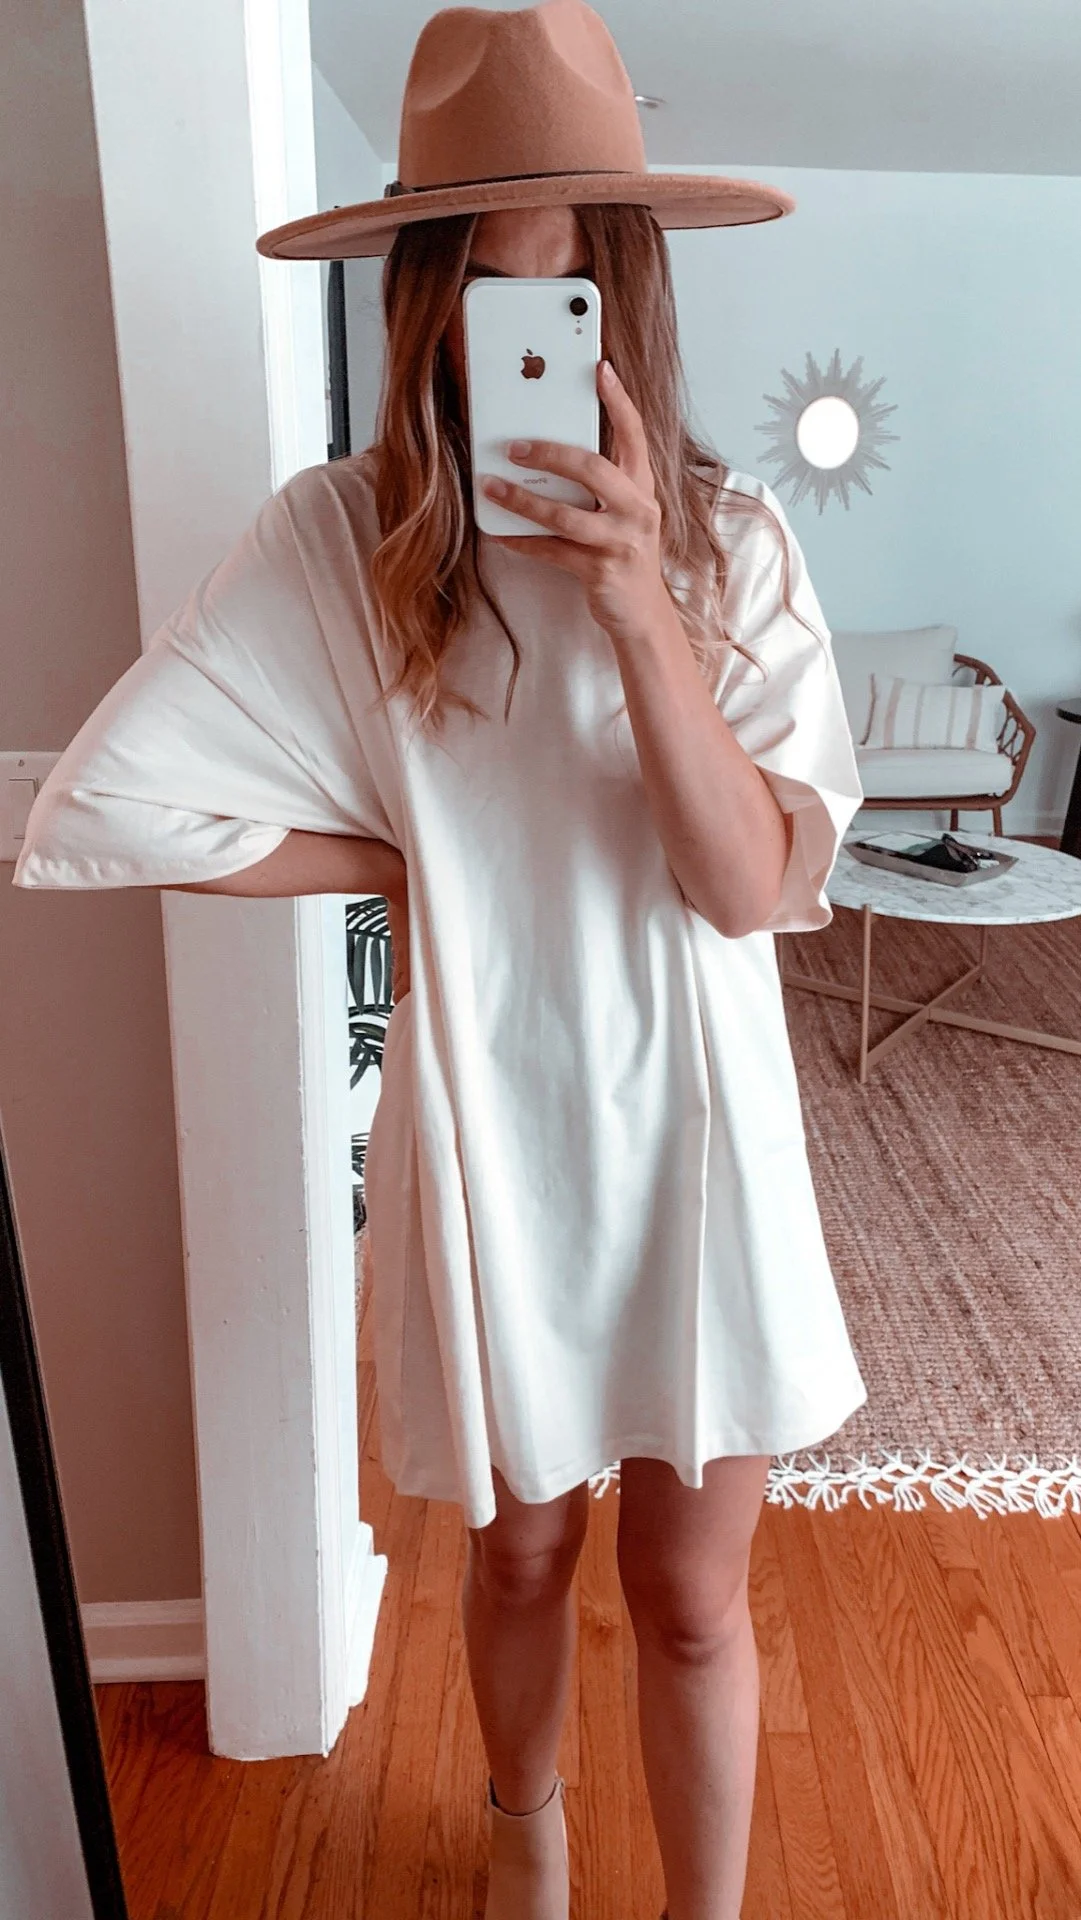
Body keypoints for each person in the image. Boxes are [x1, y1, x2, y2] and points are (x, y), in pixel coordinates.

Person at [12, 3, 869, 1916]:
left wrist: (641, 609)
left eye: (568, 289)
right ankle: (522, 1835)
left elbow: (747, 888)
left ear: (626, 291)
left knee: (691, 1594)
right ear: (426, 301)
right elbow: (116, 802)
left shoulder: (733, 550)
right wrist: (409, 852)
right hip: (495, 1124)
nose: (530, 344)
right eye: (491, 296)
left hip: (703, 1134)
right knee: (517, 1555)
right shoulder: (345, 546)